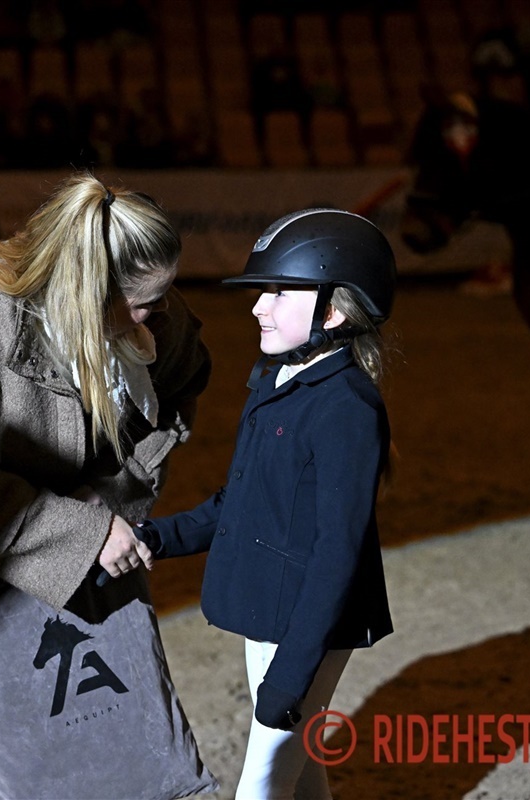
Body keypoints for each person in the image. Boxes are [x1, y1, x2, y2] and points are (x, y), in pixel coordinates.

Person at [0, 172, 211, 798]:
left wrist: (114, 495)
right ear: (88, 291)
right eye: (145, 301)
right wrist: (84, 533)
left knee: (78, 712)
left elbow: (183, 383)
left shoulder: (153, 314)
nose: (162, 312)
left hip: (80, 523)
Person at [133, 209, 395, 800]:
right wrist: (160, 537)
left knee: (262, 785)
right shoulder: (276, 382)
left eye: (279, 292)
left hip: (308, 623)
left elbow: (338, 551)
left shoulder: (346, 408)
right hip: (272, 613)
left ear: (333, 311)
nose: (258, 306)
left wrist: (294, 672)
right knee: (299, 781)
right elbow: (244, 500)